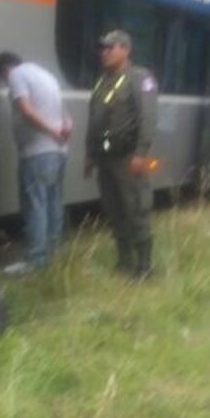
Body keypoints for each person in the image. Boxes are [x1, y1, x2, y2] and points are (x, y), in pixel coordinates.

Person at [85, 30, 159, 278]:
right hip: (105, 157)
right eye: (102, 49)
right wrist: (90, 153)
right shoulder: (102, 80)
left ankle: (144, 266)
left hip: (128, 157)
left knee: (136, 208)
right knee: (114, 210)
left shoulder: (140, 78)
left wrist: (141, 152)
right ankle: (124, 261)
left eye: (110, 48)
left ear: (125, 50)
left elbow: (148, 117)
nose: (104, 53)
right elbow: (95, 119)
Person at [0, 52, 71, 274]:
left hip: (37, 153)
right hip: (58, 152)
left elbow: (25, 109)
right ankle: (54, 253)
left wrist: (51, 130)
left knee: (35, 205)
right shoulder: (47, 76)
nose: (6, 83)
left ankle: (35, 259)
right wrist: (62, 132)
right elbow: (67, 117)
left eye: (2, 79)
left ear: (5, 69)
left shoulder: (16, 74)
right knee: (54, 201)